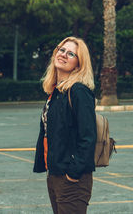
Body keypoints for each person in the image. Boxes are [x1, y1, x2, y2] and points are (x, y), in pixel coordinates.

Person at [33, 37, 97, 214]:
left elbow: (89, 136)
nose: (63, 55)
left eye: (71, 54)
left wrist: (73, 174)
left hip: (71, 178)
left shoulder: (78, 91)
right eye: (61, 50)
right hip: (55, 174)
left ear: (78, 64)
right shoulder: (56, 91)